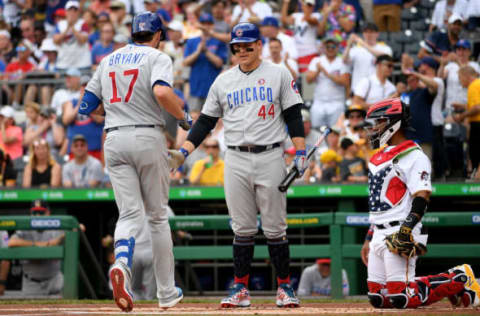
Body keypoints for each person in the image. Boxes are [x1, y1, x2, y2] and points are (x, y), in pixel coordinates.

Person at [170, 22, 305, 308]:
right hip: (235, 157)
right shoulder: (223, 80)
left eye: (248, 45)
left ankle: (284, 288)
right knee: (242, 228)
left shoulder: (278, 73)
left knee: (274, 227)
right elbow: (206, 121)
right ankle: (241, 289)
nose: (242, 51)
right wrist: (184, 151)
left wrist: (301, 151)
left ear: (259, 45)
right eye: (237, 47)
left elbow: (294, 114)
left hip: (270, 154)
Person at [78, 12, 190, 312]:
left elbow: (86, 107)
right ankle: (166, 292)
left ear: (132, 33)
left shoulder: (109, 58)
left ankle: (123, 264)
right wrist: (183, 117)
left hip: (113, 139)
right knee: (156, 216)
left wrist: (118, 108)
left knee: (128, 214)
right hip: (146, 136)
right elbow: (163, 92)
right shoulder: (157, 56)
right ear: (157, 35)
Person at [360, 97, 480, 309]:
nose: (374, 128)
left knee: (402, 297)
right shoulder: (379, 157)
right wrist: (369, 237)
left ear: (393, 124)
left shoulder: (414, 155)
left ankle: (460, 277)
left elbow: (422, 194)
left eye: (379, 122)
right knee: (378, 297)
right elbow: (379, 204)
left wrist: (407, 229)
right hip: (378, 231)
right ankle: (455, 282)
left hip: (401, 229)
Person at [8, 200, 65, 296]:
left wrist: (61, 238)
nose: (38, 216)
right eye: (35, 213)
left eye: (41, 213)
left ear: (48, 213)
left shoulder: (56, 226)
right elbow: (11, 242)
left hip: (54, 282)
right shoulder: (25, 227)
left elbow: (79, 228)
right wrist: (36, 244)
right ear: (31, 214)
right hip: (32, 284)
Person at [183, 13, 228, 113]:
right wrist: (198, 52)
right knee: (194, 119)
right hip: (195, 88)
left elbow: (220, 63)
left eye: (208, 23)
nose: (206, 26)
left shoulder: (218, 41)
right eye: (203, 23)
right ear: (200, 25)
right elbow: (185, 62)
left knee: (213, 121)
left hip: (213, 89)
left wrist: (206, 51)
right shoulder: (192, 41)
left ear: (213, 25)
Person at [306, 37, 350, 128]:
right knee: (316, 130)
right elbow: (308, 80)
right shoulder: (316, 60)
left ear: (338, 48)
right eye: (328, 46)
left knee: (336, 131)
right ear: (324, 48)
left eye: (333, 46)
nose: (330, 49)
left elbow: (345, 82)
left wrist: (326, 73)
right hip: (319, 103)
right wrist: (318, 71)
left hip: (337, 103)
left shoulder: (342, 61)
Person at [343, 23, 392, 92]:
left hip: (377, 89)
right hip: (358, 88)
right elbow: (345, 60)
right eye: (366, 32)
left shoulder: (385, 48)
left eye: (371, 32)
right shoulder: (355, 49)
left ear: (377, 34)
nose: (368, 35)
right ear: (363, 34)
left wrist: (362, 43)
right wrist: (348, 45)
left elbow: (385, 58)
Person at [281, 0, 321, 73]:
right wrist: (285, 3)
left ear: (313, 6)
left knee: (305, 79)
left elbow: (310, 20)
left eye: (309, 5)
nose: (307, 7)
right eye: (306, 5)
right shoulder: (297, 16)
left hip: (309, 53)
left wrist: (305, 9)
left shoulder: (316, 15)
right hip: (296, 53)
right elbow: (284, 21)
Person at [454, 66, 480, 179]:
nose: (460, 81)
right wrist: (463, 106)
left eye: (460, 78)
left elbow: (477, 107)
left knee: (475, 153)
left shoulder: (473, 86)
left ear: (466, 76)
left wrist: (461, 116)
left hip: (478, 125)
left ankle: (476, 179)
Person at [53, 0, 92, 72]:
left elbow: (83, 40)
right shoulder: (60, 24)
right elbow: (55, 41)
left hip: (82, 64)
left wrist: (72, 27)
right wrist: (67, 28)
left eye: (75, 10)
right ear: (66, 12)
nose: (72, 12)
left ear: (78, 12)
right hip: (63, 64)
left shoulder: (83, 23)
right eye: (70, 10)